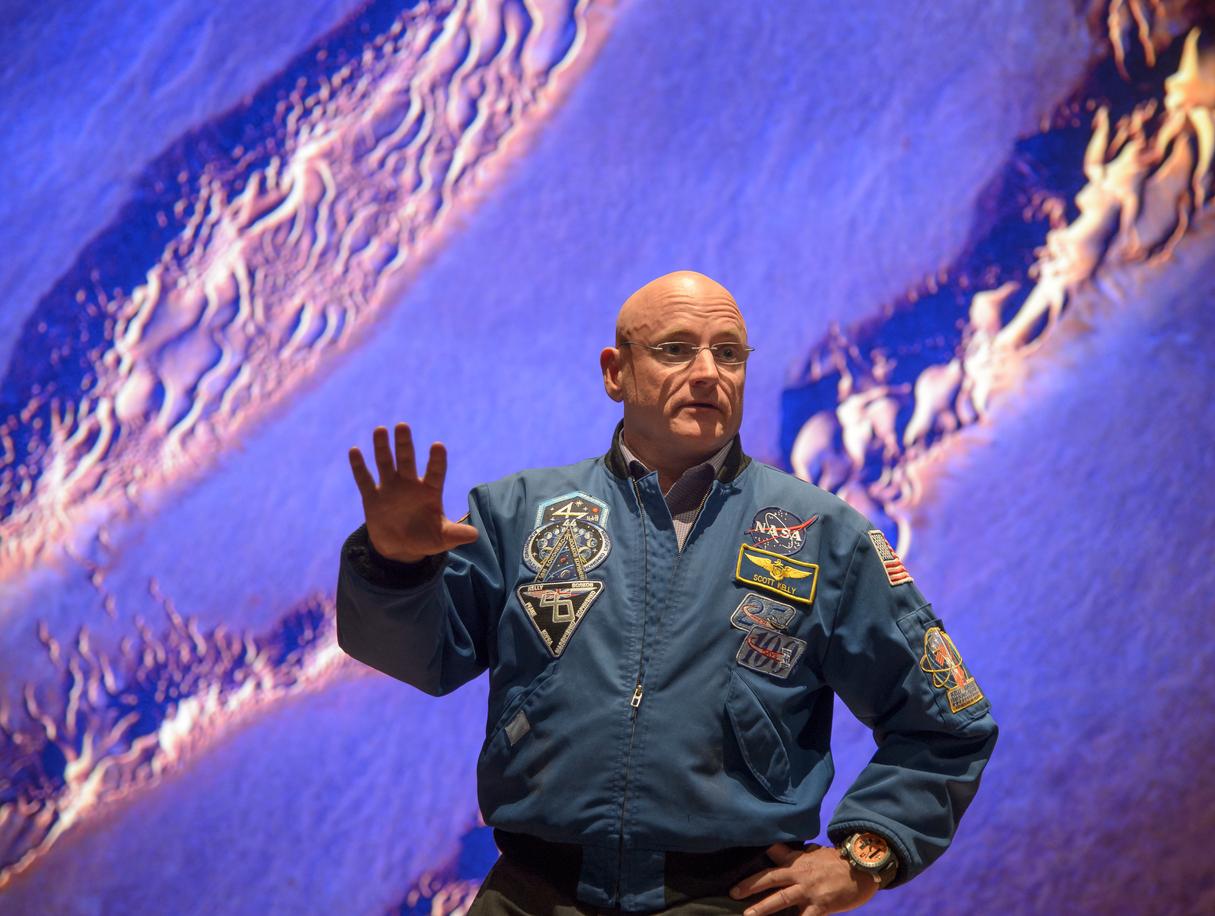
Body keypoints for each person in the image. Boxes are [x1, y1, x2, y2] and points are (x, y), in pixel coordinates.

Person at [336, 270, 997, 915]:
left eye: (729, 353)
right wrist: (393, 566)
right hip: (530, 893)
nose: (709, 372)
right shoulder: (520, 514)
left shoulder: (825, 536)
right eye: (675, 349)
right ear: (615, 372)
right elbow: (428, 656)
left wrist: (865, 857)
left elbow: (947, 726)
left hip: (732, 900)